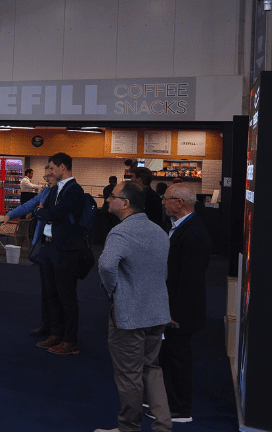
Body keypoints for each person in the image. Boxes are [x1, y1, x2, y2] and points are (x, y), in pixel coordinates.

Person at [96, 181, 172, 432]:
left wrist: (114, 290)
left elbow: (106, 266)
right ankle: (163, 425)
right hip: (158, 312)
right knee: (151, 368)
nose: (108, 199)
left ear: (125, 204)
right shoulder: (159, 231)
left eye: (112, 196)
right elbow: (163, 272)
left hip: (130, 315)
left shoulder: (121, 232)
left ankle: (128, 428)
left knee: (129, 376)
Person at [157, 183, 211, 423]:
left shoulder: (193, 234)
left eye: (166, 199)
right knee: (169, 355)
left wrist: (174, 314)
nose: (163, 202)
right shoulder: (180, 228)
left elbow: (190, 280)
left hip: (181, 312)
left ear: (179, 203)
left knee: (178, 357)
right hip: (173, 307)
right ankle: (170, 400)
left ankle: (180, 409)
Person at [31, 152, 85, 355]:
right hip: (50, 247)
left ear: (63, 167)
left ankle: (70, 340)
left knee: (66, 296)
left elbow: (52, 213)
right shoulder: (55, 189)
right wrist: (43, 211)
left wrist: (43, 211)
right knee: (51, 293)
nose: (49, 173)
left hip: (66, 250)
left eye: (52, 168)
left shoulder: (74, 190)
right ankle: (55, 333)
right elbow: (44, 212)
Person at [0, 169, 56, 336]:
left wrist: (40, 211)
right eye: (45, 176)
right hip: (44, 244)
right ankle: (47, 325)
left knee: (58, 291)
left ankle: (59, 332)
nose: (46, 178)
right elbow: (30, 205)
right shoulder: (46, 192)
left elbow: (45, 212)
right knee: (46, 288)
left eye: (48, 174)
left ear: (60, 171)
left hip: (58, 247)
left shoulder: (66, 193)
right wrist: (9, 215)